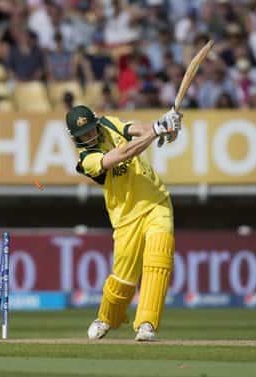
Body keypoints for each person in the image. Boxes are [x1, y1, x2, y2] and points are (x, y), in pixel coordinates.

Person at [65, 105, 181, 341]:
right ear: (76, 138)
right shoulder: (86, 160)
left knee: (158, 259)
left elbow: (141, 130)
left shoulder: (108, 123)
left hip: (156, 200)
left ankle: (147, 323)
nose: (90, 136)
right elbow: (123, 154)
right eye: (84, 135)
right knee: (123, 280)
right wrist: (157, 130)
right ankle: (107, 317)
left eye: (91, 130)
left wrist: (168, 128)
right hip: (125, 218)